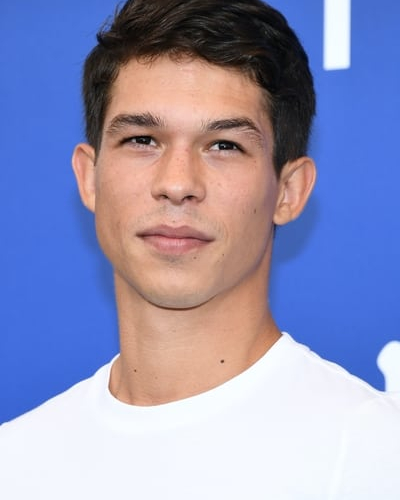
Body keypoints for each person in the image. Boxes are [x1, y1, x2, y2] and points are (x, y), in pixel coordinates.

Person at [1, 0, 399, 498]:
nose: (177, 183)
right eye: (142, 139)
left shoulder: (373, 455)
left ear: (288, 191)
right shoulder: (15, 460)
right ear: (89, 177)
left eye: (224, 145)